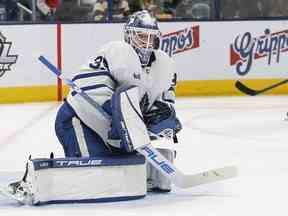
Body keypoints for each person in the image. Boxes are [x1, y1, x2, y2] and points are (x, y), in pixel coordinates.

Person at [7, 10, 182, 204]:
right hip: (79, 121)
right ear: (129, 35)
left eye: (151, 37)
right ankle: (34, 183)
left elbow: (164, 103)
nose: (147, 43)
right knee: (96, 176)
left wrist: (163, 120)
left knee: (124, 174)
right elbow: (93, 90)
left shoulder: (165, 65)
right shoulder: (116, 52)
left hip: (115, 131)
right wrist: (117, 114)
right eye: (141, 36)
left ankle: (150, 178)